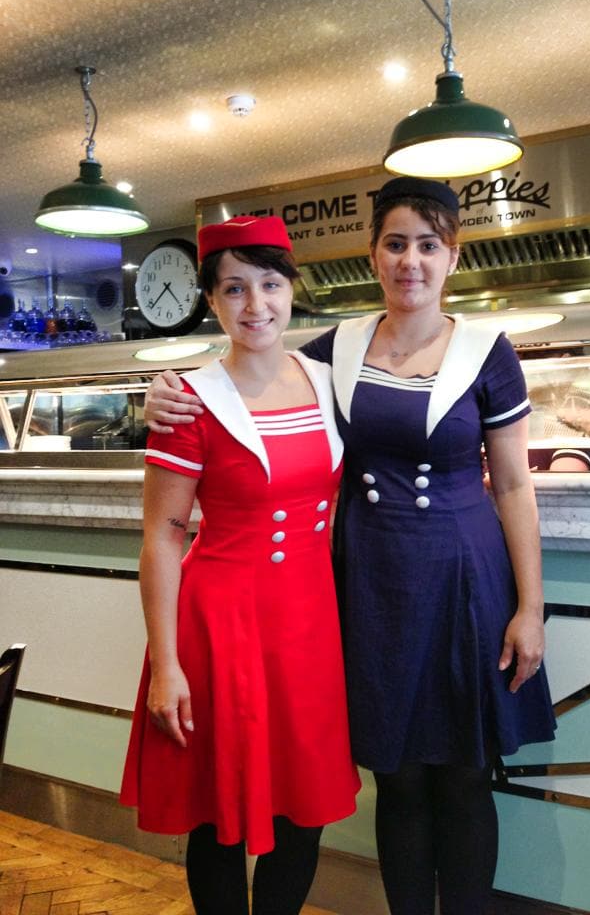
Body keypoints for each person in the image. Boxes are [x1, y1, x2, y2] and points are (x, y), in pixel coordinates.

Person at [144, 178, 557, 915]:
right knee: (395, 776)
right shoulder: (337, 349)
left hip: (465, 579)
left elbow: (516, 485)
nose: (411, 261)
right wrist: (151, 393)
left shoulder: (487, 351)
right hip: (367, 586)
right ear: (372, 255)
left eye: (428, 245)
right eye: (396, 244)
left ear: (452, 256)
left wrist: (532, 606)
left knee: (463, 773)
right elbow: (249, 368)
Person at [120, 216, 359, 915]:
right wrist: (166, 664)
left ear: (292, 289)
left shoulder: (328, 380)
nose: (256, 305)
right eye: (234, 289)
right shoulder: (190, 399)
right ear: (212, 302)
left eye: (269, 283)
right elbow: (163, 535)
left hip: (309, 625)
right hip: (220, 625)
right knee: (218, 814)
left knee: (303, 810)